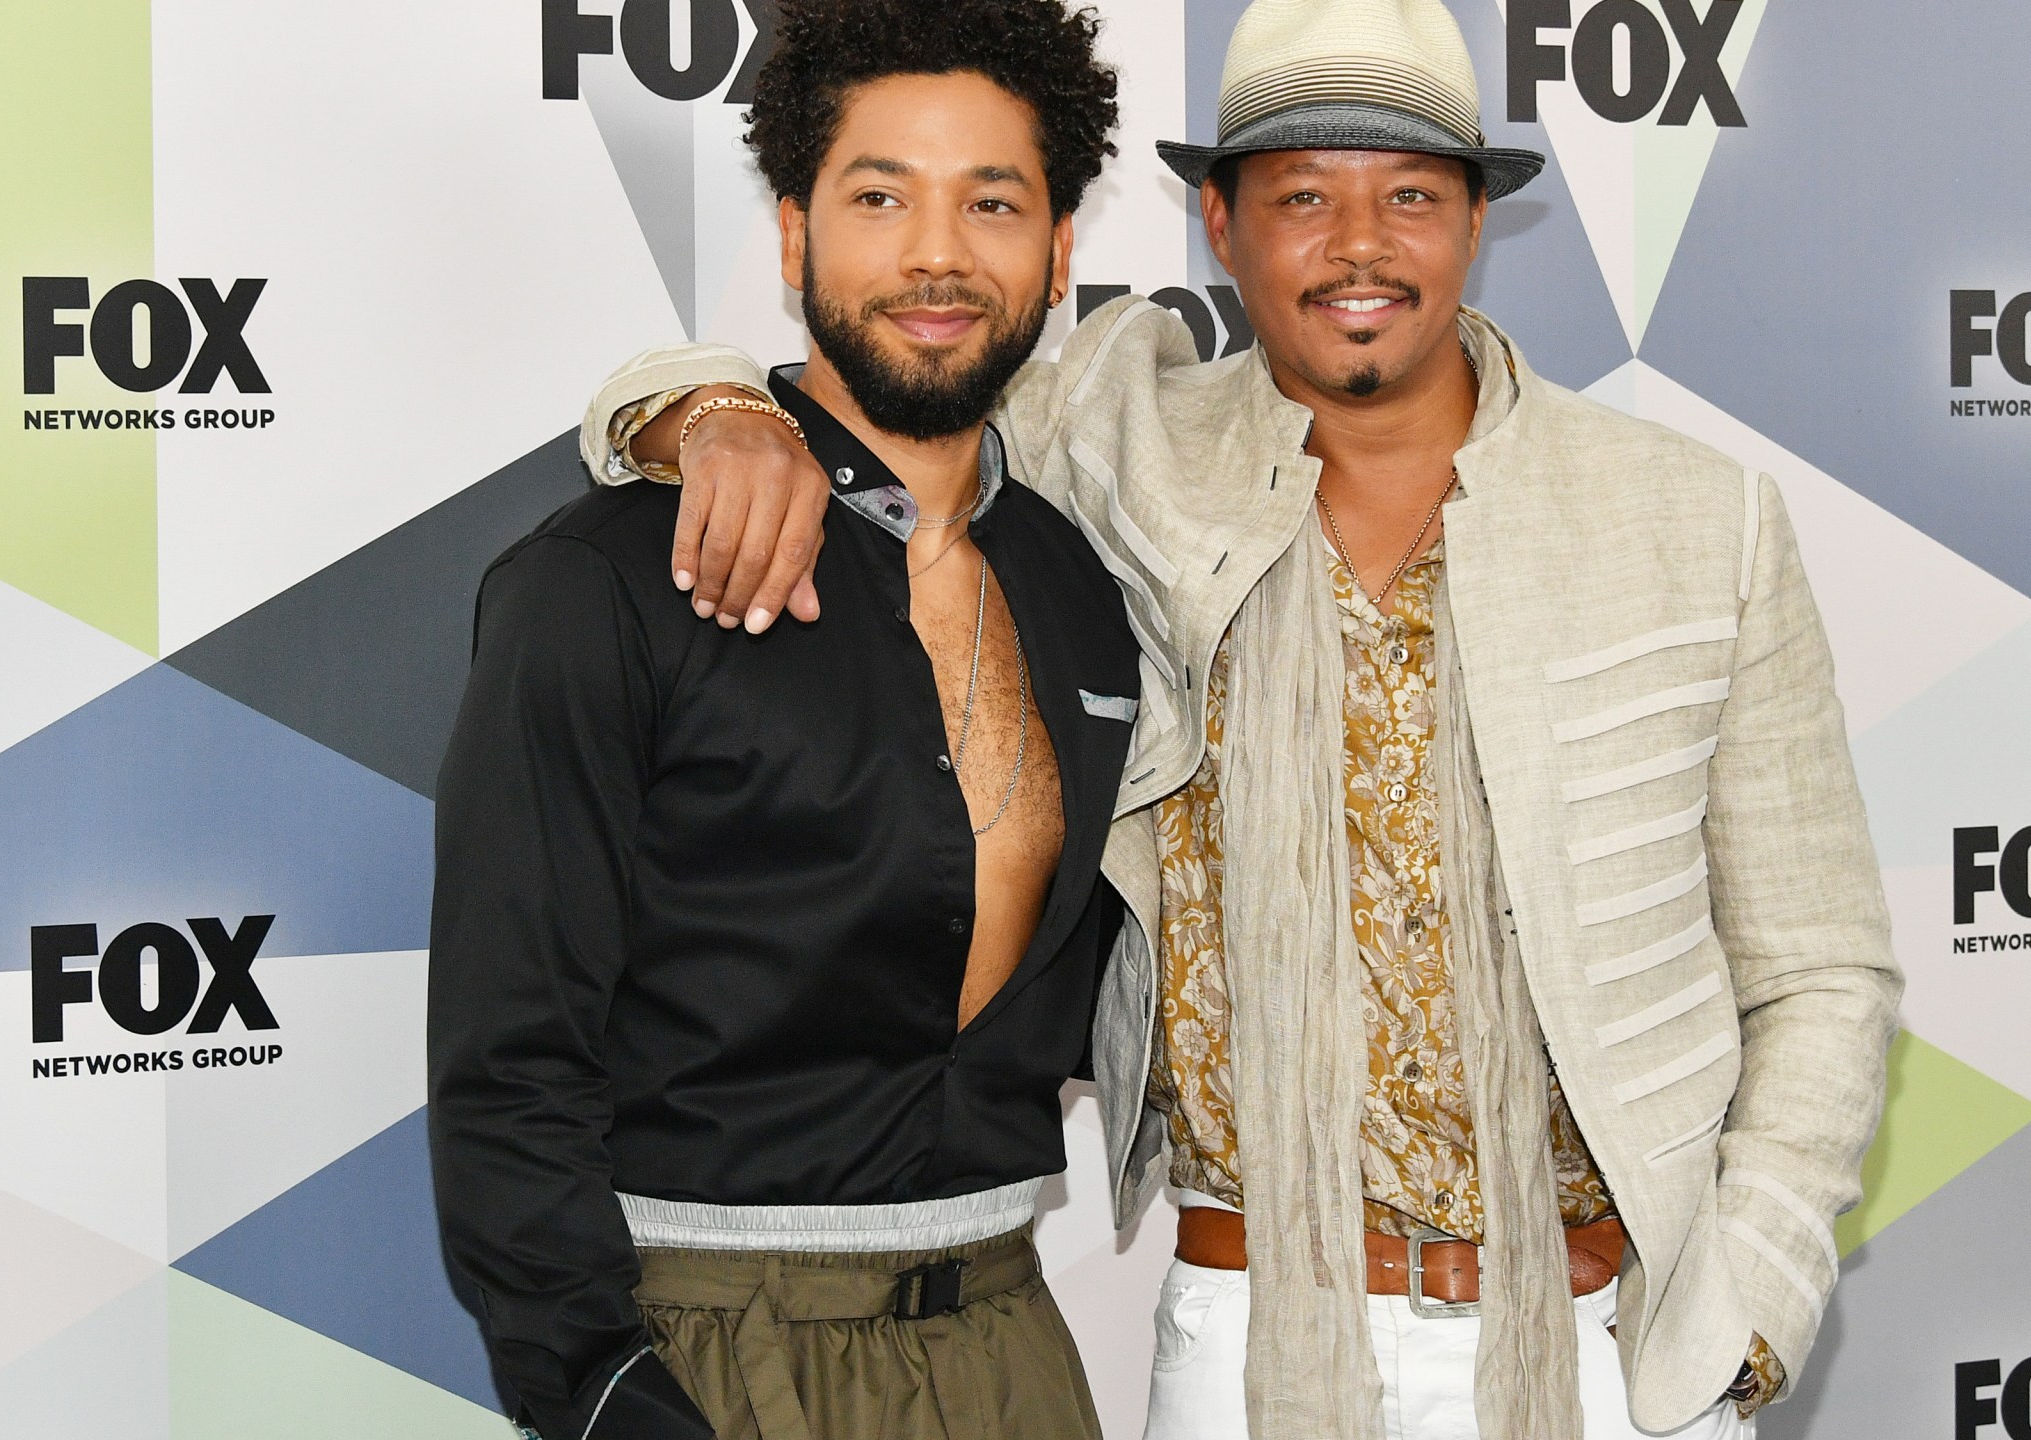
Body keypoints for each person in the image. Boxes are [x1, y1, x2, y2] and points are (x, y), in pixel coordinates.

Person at [579, 0, 1903, 1436]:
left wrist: (1751, 1309)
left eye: (1409, 195)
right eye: (1301, 198)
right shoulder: (1113, 427)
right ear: (1220, 224)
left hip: (1604, 1352)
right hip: (1244, 1345)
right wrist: (705, 416)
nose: (1358, 247)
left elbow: (1823, 970)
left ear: (1474, 225)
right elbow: (881, 374)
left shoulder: (1696, 519)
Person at [425, 4, 1140, 1439]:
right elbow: (508, 1066)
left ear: (1059, 251)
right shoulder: (607, 582)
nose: (936, 253)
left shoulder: (1082, 582)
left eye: (990, 203)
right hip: (703, 1351)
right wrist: (601, 1384)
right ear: (795, 238)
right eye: (879, 198)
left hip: (1015, 1346)